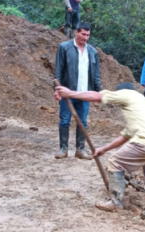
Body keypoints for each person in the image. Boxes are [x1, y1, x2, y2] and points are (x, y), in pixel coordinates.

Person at [54, 83, 145, 232]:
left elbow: (97, 96)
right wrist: (103, 149)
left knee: (115, 162)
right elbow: (126, 136)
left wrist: (70, 93)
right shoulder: (144, 106)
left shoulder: (128, 94)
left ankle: (115, 203)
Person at [54, 22, 102, 160]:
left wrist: (100, 93)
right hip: (67, 92)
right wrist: (57, 90)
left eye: (87, 35)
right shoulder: (64, 48)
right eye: (83, 34)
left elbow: (96, 75)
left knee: (83, 122)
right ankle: (63, 149)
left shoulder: (93, 52)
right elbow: (58, 70)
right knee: (64, 120)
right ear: (76, 32)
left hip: (85, 94)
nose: (85, 37)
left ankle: (80, 149)